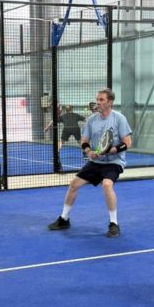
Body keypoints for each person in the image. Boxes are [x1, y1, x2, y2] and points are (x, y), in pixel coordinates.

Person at [47, 88, 133, 238]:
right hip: (96, 161)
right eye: (97, 99)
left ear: (110, 102)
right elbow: (84, 141)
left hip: (114, 162)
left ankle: (114, 224)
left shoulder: (119, 118)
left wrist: (111, 150)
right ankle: (64, 219)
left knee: (107, 184)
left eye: (101, 100)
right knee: (74, 184)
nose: (97, 102)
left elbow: (128, 143)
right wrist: (89, 151)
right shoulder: (92, 120)